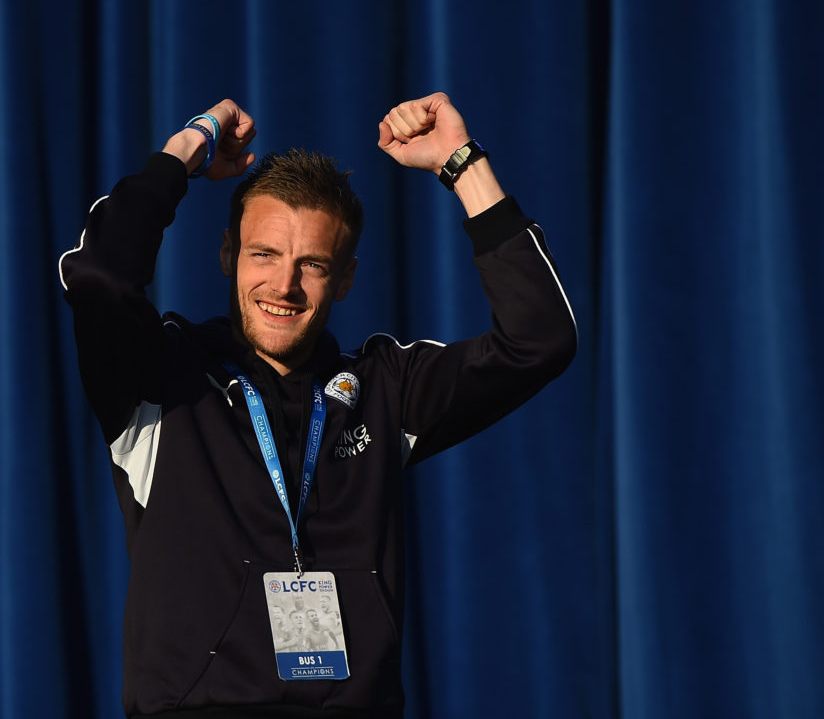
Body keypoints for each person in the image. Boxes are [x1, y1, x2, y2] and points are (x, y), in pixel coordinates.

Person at [60, 93, 576, 718]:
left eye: (312, 264)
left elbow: (539, 340)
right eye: (264, 255)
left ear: (347, 278)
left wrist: (463, 164)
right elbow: (98, 275)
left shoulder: (384, 389)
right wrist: (186, 150)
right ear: (228, 255)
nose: (284, 285)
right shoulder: (161, 378)